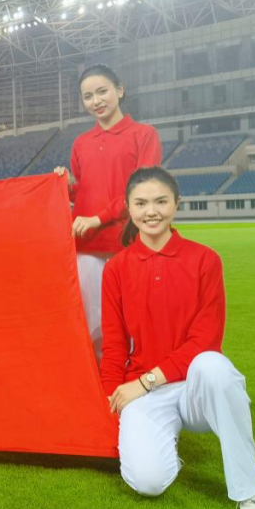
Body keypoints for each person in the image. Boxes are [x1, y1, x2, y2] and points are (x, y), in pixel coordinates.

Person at [101, 166, 255, 509]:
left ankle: (251, 488)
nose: (151, 211)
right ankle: (164, 446)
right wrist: (111, 397)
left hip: (195, 387)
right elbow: (114, 344)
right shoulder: (116, 269)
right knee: (148, 482)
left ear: (177, 204)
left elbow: (205, 340)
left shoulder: (205, 259)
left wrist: (146, 380)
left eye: (161, 201)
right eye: (141, 203)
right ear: (128, 208)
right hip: (146, 394)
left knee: (213, 365)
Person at [54, 64, 162, 360]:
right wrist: (65, 185)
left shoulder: (144, 134)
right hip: (86, 246)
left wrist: (97, 218)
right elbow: (83, 190)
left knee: (134, 323)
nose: (96, 101)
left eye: (102, 91)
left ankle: (137, 381)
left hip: (129, 244)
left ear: (120, 90)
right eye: (88, 96)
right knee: (91, 328)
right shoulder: (81, 143)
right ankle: (102, 383)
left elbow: (143, 192)